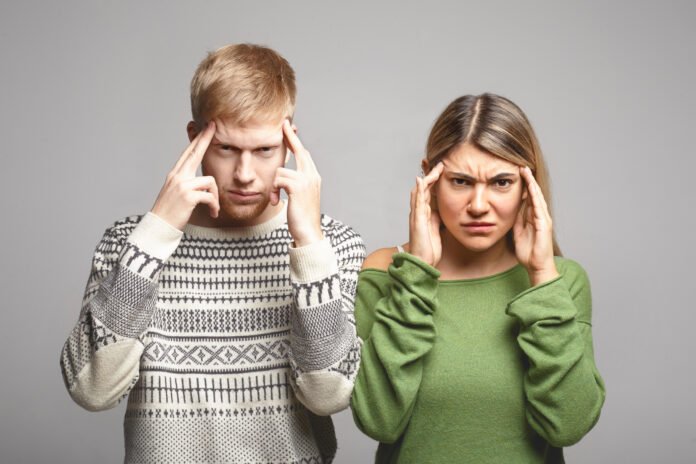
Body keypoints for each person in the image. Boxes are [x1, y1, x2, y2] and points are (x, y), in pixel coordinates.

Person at [60, 43, 365, 464]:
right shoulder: (129, 242)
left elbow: (328, 395)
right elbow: (92, 389)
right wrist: (155, 233)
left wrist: (309, 244)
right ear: (195, 138)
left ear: (290, 142)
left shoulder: (332, 245)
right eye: (226, 149)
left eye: (264, 150)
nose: (245, 175)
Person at [350, 93, 605, 463]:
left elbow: (569, 425)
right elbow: (378, 421)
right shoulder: (388, 272)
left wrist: (542, 277)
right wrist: (416, 275)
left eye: (501, 182)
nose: (479, 206)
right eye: (460, 181)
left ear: (527, 185)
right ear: (429, 179)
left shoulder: (560, 280)